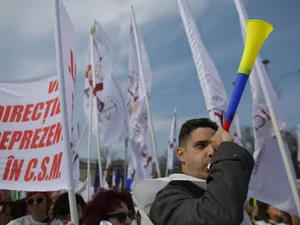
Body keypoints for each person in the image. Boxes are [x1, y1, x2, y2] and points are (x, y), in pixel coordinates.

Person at [149, 118, 254, 225]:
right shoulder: (166, 201)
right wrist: (228, 151)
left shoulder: (231, 199)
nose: (211, 152)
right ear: (181, 154)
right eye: (201, 145)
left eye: (216, 148)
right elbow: (218, 216)